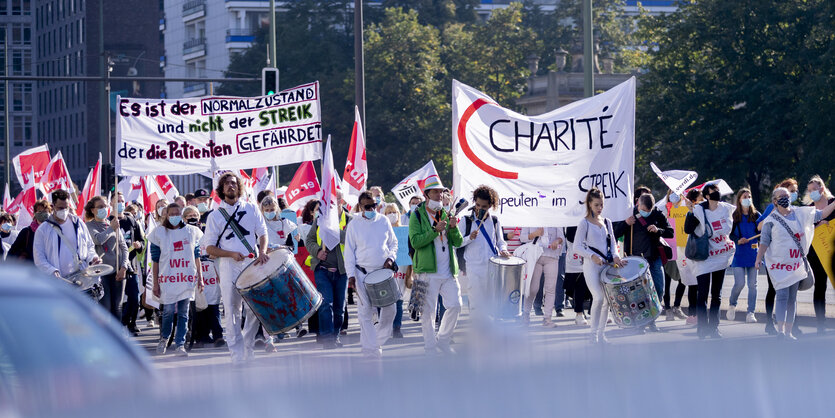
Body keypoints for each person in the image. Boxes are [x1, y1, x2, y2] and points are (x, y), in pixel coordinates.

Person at [201, 172, 270, 365]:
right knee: (232, 310)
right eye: (227, 183)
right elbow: (209, 247)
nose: (231, 185)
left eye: (234, 182)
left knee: (254, 309)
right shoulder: (214, 216)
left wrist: (262, 251)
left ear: (239, 186)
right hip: (228, 267)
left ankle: (247, 346)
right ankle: (236, 354)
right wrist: (230, 254)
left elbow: (262, 233)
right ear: (221, 189)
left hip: (252, 264)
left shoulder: (251, 209)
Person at [756, 187, 835, 340]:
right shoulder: (770, 220)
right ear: (775, 201)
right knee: (782, 295)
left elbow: (821, 214)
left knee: (792, 298)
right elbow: (764, 241)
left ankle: (788, 332)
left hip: (795, 264)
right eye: (782, 196)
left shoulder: (800, 213)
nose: (786, 198)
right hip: (779, 265)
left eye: (787, 195)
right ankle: (780, 331)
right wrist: (759, 258)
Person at [409, 175, 463, 355]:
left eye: (441, 192)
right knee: (427, 312)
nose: (440, 195)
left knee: (455, 305)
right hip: (427, 271)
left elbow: (457, 242)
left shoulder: (446, 213)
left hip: (448, 271)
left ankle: (444, 339)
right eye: (436, 192)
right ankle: (430, 345)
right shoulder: (416, 215)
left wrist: (453, 228)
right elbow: (415, 242)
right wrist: (434, 231)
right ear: (426, 195)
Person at [344, 191, 399, 358]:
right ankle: (370, 348)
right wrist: (350, 275)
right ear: (360, 207)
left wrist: (390, 258)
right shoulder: (354, 224)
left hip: (382, 273)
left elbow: (393, 242)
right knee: (365, 312)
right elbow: (349, 252)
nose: (372, 208)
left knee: (391, 309)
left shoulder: (383, 220)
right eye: (367, 206)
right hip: (361, 273)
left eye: (374, 205)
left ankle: (376, 341)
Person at [150, 203, 204, 356]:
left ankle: (180, 344)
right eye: (171, 214)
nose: (174, 216)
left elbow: (197, 257)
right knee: (167, 311)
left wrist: (200, 278)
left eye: (177, 213)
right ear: (166, 215)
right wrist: (155, 283)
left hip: (186, 279)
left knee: (184, 313)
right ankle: (164, 338)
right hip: (168, 280)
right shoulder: (158, 233)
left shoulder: (192, 232)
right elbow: (155, 261)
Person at [614, 193, 674, 332]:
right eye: (644, 210)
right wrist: (625, 223)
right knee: (638, 294)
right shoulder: (628, 213)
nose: (646, 213)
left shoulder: (658, 214)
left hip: (654, 257)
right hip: (635, 259)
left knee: (659, 289)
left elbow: (670, 232)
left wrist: (658, 230)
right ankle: (640, 323)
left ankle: (652, 321)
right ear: (638, 204)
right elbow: (614, 233)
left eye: (649, 211)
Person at [684, 183, 736, 339]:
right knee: (702, 293)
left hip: (720, 254)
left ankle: (714, 327)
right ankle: (702, 328)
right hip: (704, 256)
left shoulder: (725, 208)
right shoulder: (699, 209)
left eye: (718, 191)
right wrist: (691, 213)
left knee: (717, 295)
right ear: (706, 195)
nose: (717, 193)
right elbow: (688, 229)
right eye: (713, 191)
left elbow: (727, 228)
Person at [575, 188, 622, 344]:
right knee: (599, 297)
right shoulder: (584, 223)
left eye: (601, 205)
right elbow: (577, 247)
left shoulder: (607, 221)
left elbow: (613, 243)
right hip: (591, 266)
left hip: (606, 265)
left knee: (607, 300)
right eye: (596, 205)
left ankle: (601, 334)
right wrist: (592, 256)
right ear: (589, 204)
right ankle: (593, 334)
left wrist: (616, 256)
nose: (599, 208)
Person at [458, 186, 511, 321]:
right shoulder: (465, 221)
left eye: (484, 207)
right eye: (478, 205)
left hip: (491, 266)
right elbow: (457, 243)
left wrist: (503, 250)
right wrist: (469, 238)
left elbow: (500, 241)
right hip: (473, 267)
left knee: (491, 302)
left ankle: (490, 332)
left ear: (490, 206)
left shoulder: (494, 221)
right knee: (475, 302)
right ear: (474, 202)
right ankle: (477, 331)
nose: (480, 209)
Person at [306, 193, 351, 350]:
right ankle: (326, 338)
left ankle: (335, 335)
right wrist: (317, 251)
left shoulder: (350, 219)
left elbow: (352, 239)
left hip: (342, 271)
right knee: (326, 304)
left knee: (340, 307)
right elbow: (309, 240)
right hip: (322, 270)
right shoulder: (320, 219)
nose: (332, 203)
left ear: (342, 201)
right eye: (330, 200)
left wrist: (335, 231)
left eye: (336, 200)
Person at [757, 178, 799, 335]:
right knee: (776, 291)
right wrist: (775, 213)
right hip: (775, 260)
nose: (792, 195)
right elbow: (760, 227)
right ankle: (770, 322)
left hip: (792, 261)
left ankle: (788, 329)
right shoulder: (771, 209)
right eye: (790, 191)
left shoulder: (796, 211)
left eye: (794, 192)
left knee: (790, 296)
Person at [33, 190, 101, 285]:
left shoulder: (78, 223)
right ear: (53, 207)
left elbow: (89, 246)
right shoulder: (43, 230)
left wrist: (93, 258)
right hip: (58, 283)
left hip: (82, 280)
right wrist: (51, 271)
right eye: (60, 208)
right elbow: (39, 258)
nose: (64, 211)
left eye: (66, 207)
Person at [85, 196, 130, 319]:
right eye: (100, 207)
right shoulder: (89, 226)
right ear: (92, 210)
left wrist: (124, 266)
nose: (103, 209)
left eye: (105, 206)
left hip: (118, 272)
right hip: (101, 273)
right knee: (105, 307)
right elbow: (98, 240)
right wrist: (111, 228)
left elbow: (124, 247)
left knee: (117, 308)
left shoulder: (113, 223)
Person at [803, 175, 835, 334]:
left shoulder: (833, 203)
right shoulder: (809, 209)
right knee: (820, 286)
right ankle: (821, 324)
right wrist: (817, 226)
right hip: (816, 254)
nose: (812, 193)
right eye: (809, 191)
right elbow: (804, 232)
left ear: (822, 189)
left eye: (814, 189)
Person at [111, 193, 146, 336]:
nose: (120, 203)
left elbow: (142, 240)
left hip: (130, 266)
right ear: (111, 203)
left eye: (122, 201)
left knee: (134, 297)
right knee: (117, 301)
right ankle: (117, 325)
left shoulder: (131, 221)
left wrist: (139, 245)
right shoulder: (108, 221)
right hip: (114, 267)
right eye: (117, 201)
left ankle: (129, 322)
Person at [519, 226, 562, 327]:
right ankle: (526, 314)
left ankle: (547, 318)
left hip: (552, 256)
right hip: (534, 256)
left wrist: (557, 241)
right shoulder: (531, 216)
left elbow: (561, 237)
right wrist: (535, 234)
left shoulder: (555, 216)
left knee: (550, 288)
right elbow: (522, 238)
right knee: (533, 288)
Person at [728, 188, 760, 323]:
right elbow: (728, 234)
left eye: (749, 196)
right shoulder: (734, 216)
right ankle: (732, 304)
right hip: (739, 254)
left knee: (753, 285)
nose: (747, 198)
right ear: (739, 200)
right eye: (744, 196)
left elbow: (764, 229)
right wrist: (737, 240)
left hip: (753, 253)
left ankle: (750, 313)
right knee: (739, 283)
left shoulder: (757, 215)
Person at [383, 203, 408, 337]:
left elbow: (409, 252)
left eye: (394, 212)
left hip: (401, 270)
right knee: (386, 299)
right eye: (389, 212)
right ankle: (385, 327)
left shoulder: (404, 231)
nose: (392, 215)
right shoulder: (382, 231)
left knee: (398, 299)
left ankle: (396, 327)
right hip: (386, 268)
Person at [563, 226, 590, 325]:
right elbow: (570, 237)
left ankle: (595, 312)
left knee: (595, 288)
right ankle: (579, 314)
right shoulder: (573, 224)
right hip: (575, 263)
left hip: (591, 260)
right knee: (579, 288)